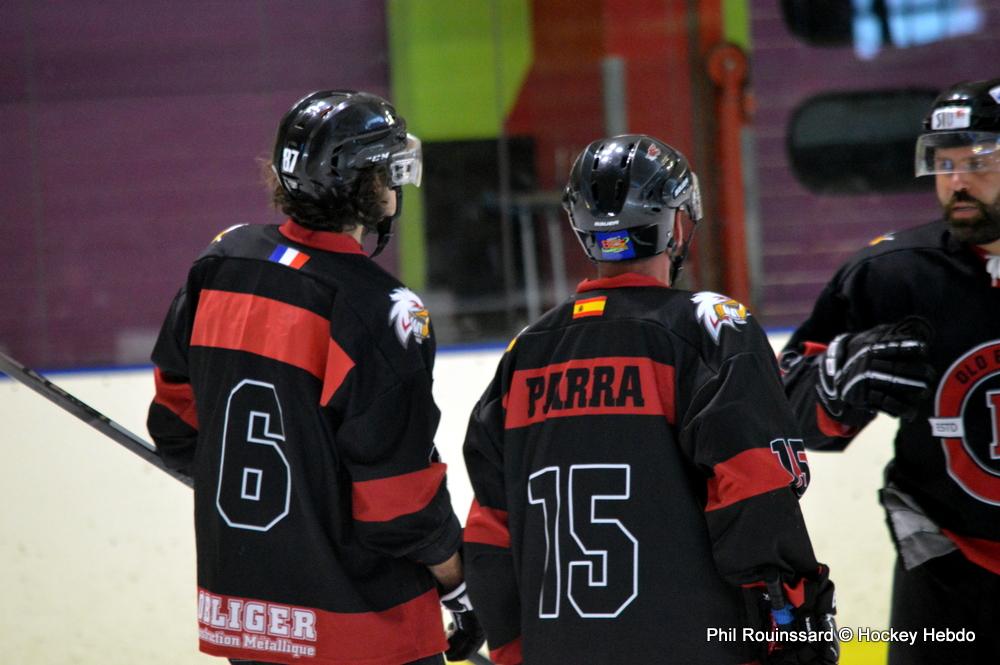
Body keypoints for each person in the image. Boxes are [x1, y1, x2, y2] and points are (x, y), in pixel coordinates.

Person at [461, 135, 838, 665]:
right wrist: (794, 617)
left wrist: (513, 651)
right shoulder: (710, 329)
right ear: (677, 224)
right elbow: (755, 487)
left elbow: (489, 531)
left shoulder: (526, 354)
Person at [146, 90, 484, 665]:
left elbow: (175, 423)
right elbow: (397, 500)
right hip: (360, 627)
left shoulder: (222, 263)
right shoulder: (379, 310)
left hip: (249, 619)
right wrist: (460, 584)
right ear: (364, 183)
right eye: (388, 168)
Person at [779, 78, 1000, 665]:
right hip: (945, 574)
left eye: (977, 161)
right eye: (944, 163)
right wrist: (831, 385)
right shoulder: (894, 276)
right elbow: (780, 411)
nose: (956, 181)